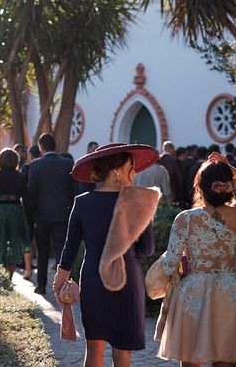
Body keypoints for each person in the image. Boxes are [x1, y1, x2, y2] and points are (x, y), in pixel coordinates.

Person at [55, 143, 160, 367]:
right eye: (131, 167)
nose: (135, 173)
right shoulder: (139, 201)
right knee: (122, 352)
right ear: (116, 172)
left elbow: (69, 249)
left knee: (93, 348)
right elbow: (147, 249)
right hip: (127, 279)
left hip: (94, 276)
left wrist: (59, 281)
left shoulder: (82, 202)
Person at [157, 152, 236, 366]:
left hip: (193, 293)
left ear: (200, 187)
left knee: (190, 360)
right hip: (229, 291)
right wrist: (227, 166)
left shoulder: (185, 219)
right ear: (227, 187)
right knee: (226, 360)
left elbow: (170, 263)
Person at [27, 133, 77, 294]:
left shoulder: (35, 166)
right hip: (63, 214)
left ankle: (41, 285)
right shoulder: (68, 164)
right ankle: (64, 285)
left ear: (41, 148)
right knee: (62, 249)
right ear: (55, 146)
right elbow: (74, 192)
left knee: (42, 250)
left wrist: (31, 216)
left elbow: (31, 194)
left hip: (42, 215)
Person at [0, 148, 32, 279]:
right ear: (16, 161)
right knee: (15, 242)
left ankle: (1, 274)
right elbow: (26, 196)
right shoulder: (20, 176)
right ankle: (9, 275)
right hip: (15, 210)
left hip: (0, 211)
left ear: (0, 160)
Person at [158, 140, 182, 205]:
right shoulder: (175, 160)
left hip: (159, 190)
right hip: (173, 189)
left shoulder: (159, 159)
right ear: (171, 148)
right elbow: (179, 176)